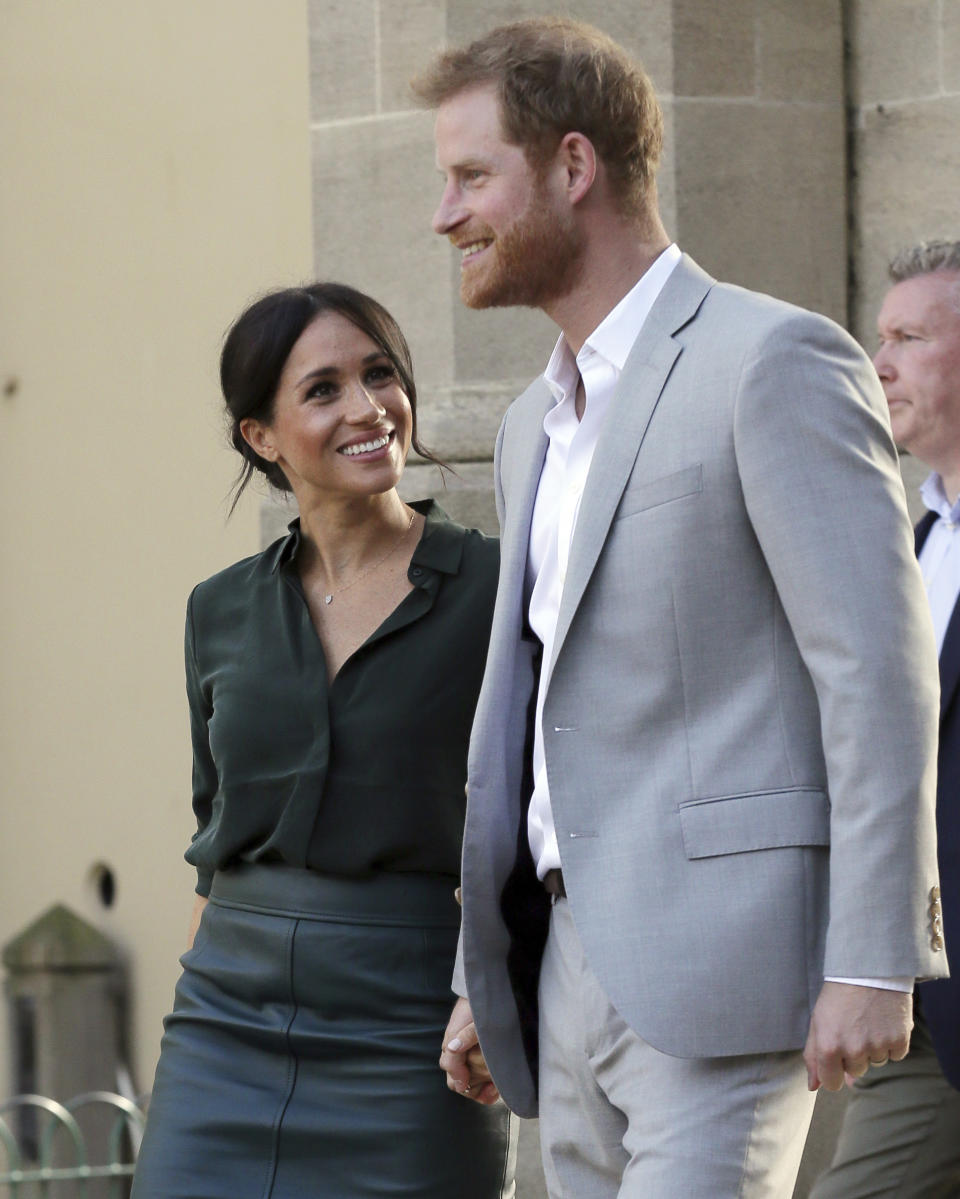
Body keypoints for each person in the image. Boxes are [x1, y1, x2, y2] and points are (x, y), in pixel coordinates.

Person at [411, 18, 946, 1197]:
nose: (444, 215)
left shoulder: (773, 359)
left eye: (469, 177)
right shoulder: (526, 427)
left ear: (572, 165)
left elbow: (877, 667)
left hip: (728, 970)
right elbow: (524, 721)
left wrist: (873, 953)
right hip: (559, 974)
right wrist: (479, 965)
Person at [131, 282, 515, 1198]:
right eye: (323, 389)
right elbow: (213, 842)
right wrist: (191, 1009)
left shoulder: (497, 590)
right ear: (258, 437)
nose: (367, 406)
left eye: (380, 374)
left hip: (413, 1027)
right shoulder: (217, 610)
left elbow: (545, 815)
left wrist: (499, 995)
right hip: (225, 1021)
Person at [812, 240, 960, 1197]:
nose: (881, 366)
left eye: (909, 337)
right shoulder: (915, 543)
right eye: (879, 338)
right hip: (920, 1000)